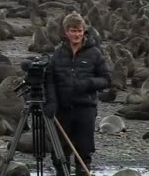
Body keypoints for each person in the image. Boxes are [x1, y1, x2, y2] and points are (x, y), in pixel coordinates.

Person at [44, 11, 111, 176]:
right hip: (63, 108)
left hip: (85, 107)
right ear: (66, 32)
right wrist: (51, 102)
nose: (77, 34)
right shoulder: (58, 53)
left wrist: (88, 84)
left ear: (84, 31)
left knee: (84, 150)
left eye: (79, 30)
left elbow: (106, 79)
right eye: (73, 31)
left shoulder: (94, 53)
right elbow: (50, 80)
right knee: (59, 151)